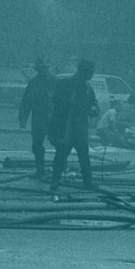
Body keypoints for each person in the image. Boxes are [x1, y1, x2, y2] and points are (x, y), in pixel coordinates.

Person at [48, 59, 100, 199]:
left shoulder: (88, 88)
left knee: (84, 156)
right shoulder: (65, 84)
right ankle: (54, 182)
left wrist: (93, 109)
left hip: (80, 128)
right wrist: (71, 103)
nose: (91, 75)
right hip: (66, 126)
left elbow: (94, 104)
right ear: (82, 71)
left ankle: (88, 182)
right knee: (61, 156)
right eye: (89, 72)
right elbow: (55, 100)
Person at [18, 58, 54, 179]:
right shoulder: (33, 83)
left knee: (60, 145)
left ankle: (60, 170)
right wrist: (23, 118)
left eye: (44, 69)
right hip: (39, 119)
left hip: (54, 119)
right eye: (40, 69)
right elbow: (26, 101)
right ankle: (40, 170)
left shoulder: (55, 82)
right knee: (37, 145)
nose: (42, 71)